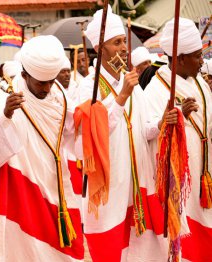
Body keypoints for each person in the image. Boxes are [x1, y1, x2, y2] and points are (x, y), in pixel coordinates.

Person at [0, 35, 84, 261]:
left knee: (64, 249)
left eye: (50, 81)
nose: (47, 88)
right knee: (27, 249)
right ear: (25, 74)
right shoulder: (8, 95)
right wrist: (6, 115)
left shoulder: (58, 92)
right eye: (41, 83)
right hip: (23, 186)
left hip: (56, 181)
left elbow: (72, 131)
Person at [77, 6, 173, 261]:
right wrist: (120, 97)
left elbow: (144, 130)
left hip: (139, 180)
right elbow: (90, 134)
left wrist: (163, 120)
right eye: (116, 42)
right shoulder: (88, 86)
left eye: (124, 42)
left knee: (144, 249)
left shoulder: (129, 80)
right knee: (113, 249)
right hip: (111, 184)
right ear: (99, 48)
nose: (123, 48)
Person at [144, 17, 212, 261]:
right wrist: (173, 119)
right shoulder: (156, 89)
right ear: (180, 58)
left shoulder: (201, 86)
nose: (202, 62)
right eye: (197, 56)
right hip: (179, 180)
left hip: (206, 172)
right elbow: (147, 131)